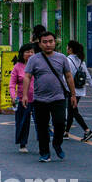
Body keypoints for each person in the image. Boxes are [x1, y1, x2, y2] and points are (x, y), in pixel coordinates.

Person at [27, 30, 78, 162]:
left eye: (51, 41)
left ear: (55, 43)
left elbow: (68, 76)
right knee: (42, 127)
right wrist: (25, 96)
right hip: (39, 99)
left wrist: (73, 95)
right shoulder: (33, 59)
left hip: (58, 98)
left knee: (60, 122)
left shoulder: (62, 58)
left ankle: (57, 143)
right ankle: (44, 153)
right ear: (40, 44)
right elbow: (27, 76)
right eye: (45, 42)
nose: (48, 44)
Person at [64, 40, 92, 142]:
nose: (66, 49)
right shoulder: (81, 61)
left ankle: (87, 130)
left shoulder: (67, 60)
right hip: (80, 90)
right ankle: (66, 132)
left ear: (71, 49)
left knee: (74, 111)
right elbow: (88, 76)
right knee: (72, 111)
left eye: (67, 47)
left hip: (70, 90)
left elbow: (65, 76)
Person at [11, 42, 35, 152]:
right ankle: (22, 144)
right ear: (22, 54)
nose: (30, 54)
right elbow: (12, 84)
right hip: (22, 99)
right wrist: (14, 97)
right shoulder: (17, 67)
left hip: (38, 99)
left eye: (32, 52)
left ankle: (43, 144)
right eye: (27, 52)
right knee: (22, 122)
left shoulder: (38, 65)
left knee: (42, 123)